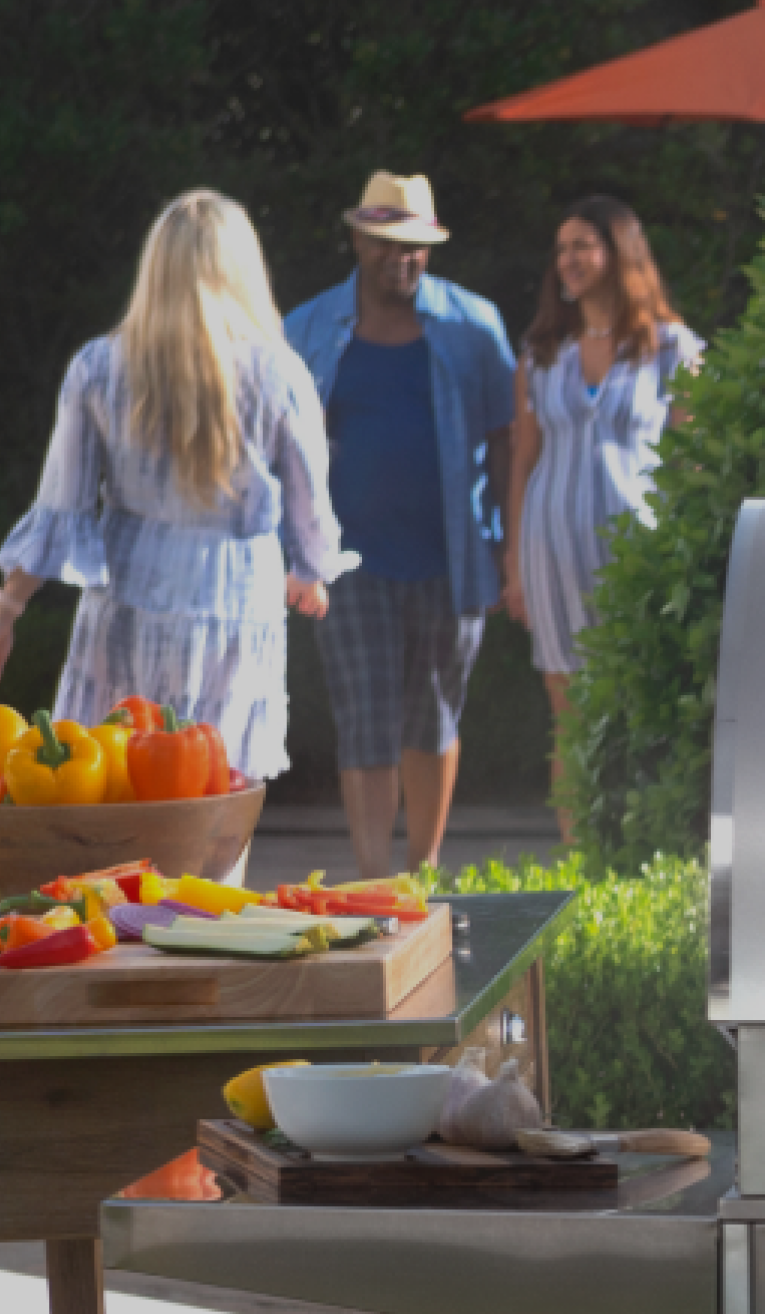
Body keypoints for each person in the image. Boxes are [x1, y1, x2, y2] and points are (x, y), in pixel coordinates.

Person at [0, 190, 338, 778]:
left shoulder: (98, 368)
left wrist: (5, 612)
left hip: (127, 597)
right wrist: (313, 571)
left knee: (110, 788)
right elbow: (310, 508)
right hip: (235, 602)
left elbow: (62, 506)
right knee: (219, 796)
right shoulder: (279, 372)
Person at [283, 171, 516, 879]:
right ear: (358, 238)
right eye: (387, 242)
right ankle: (371, 878)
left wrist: (508, 546)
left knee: (434, 717)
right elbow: (278, 447)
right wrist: (291, 554)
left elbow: (507, 436)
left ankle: (423, 871)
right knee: (365, 718)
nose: (401, 258)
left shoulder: (472, 325)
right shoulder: (308, 327)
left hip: (451, 554)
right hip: (347, 561)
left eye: (415, 245)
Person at [500, 197, 702, 843]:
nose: (568, 260)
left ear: (619, 251)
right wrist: (513, 564)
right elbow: (523, 459)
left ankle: (640, 853)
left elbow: (695, 460)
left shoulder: (670, 347)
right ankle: (581, 864)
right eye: (561, 249)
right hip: (550, 553)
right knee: (571, 718)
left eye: (582, 244)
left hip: (637, 556)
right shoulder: (540, 353)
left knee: (640, 709)